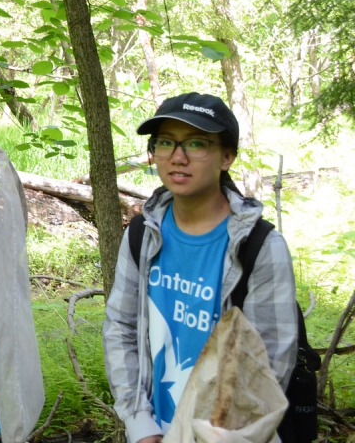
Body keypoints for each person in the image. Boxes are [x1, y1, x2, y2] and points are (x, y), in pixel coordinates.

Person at [103, 92, 298, 443]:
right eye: (165, 142)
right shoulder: (142, 235)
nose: (178, 157)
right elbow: (121, 327)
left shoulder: (259, 247)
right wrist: (140, 424)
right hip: (154, 430)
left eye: (196, 143)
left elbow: (269, 366)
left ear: (227, 157)